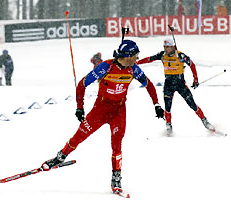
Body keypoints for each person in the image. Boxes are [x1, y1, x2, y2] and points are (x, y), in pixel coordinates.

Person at [41, 40, 164, 194]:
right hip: (100, 110)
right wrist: (80, 107)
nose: (137, 58)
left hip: (118, 111)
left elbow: (149, 85)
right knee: (79, 136)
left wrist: (157, 104)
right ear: (127, 55)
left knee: (117, 144)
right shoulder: (106, 67)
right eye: (135, 55)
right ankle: (60, 157)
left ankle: (116, 176)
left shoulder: (133, 69)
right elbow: (82, 84)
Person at [136, 38, 214, 135]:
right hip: (168, 84)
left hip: (180, 84)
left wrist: (195, 80)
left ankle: (205, 121)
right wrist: (135, 63)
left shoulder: (180, 55)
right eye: (164, 47)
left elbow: (192, 65)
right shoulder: (162, 55)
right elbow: (149, 59)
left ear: (173, 46)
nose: (165, 49)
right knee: (167, 107)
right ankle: (168, 125)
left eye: (168, 47)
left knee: (192, 104)